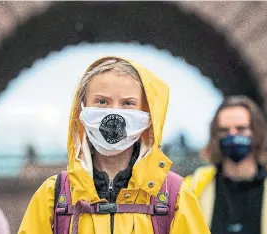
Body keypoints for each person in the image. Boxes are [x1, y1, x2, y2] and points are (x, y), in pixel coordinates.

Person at [18, 57, 210, 233]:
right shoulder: (53, 196)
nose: (114, 113)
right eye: (102, 101)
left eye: (127, 103)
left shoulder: (174, 196)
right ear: (82, 108)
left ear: (148, 114)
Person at [185, 95, 267, 234]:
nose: (232, 135)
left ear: (257, 133)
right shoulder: (195, 189)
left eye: (241, 129)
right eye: (224, 130)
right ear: (215, 136)